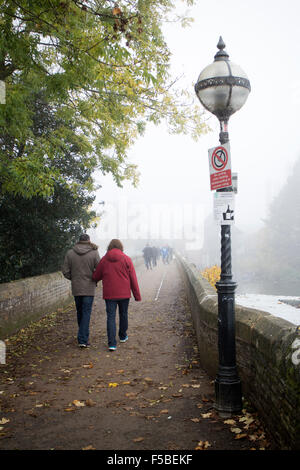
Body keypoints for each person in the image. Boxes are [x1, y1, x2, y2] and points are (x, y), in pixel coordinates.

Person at [92, 239, 141, 351]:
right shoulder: (126, 259)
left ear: (109, 247)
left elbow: (96, 276)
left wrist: (94, 277)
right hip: (124, 293)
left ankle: (112, 343)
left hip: (109, 294)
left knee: (110, 317)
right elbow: (133, 278)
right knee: (123, 314)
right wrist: (137, 295)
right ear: (121, 247)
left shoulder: (104, 260)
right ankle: (123, 336)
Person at [62, 234, 100, 348]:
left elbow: (65, 271)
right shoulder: (94, 253)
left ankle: (83, 337)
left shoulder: (70, 253)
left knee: (80, 312)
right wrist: (94, 279)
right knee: (86, 313)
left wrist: (73, 278)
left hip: (77, 287)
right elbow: (99, 269)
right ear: (89, 240)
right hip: (89, 288)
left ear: (79, 241)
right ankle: (83, 339)